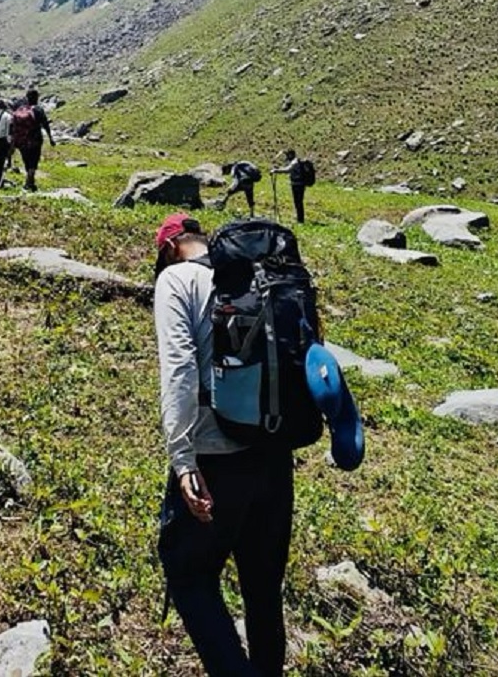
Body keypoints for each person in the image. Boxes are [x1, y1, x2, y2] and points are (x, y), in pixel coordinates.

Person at [154, 214, 294, 677]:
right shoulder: (263, 274)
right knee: (263, 589)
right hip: (274, 452)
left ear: (170, 248)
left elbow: (179, 370)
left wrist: (182, 458)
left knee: (190, 575)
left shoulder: (176, 279)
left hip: (216, 456)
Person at [10, 87, 54, 192]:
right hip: (35, 139)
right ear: (37, 97)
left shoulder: (20, 109)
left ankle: (29, 179)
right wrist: (50, 138)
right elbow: (45, 124)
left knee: (26, 159)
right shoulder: (38, 109)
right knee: (34, 160)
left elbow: (12, 126)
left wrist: (13, 141)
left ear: (27, 98)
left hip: (21, 141)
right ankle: (30, 180)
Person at [273, 150, 307, 225]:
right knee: (297, 202)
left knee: (298, 202)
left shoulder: (295, 162)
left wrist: (276, 171)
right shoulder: (294, 162)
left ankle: (300, 221)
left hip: (298, 185)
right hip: (296, 184)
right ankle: (299, 218)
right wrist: (279, 168)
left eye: (287, 155)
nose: (286, 157)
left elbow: (287, 170)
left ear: (291, 155)